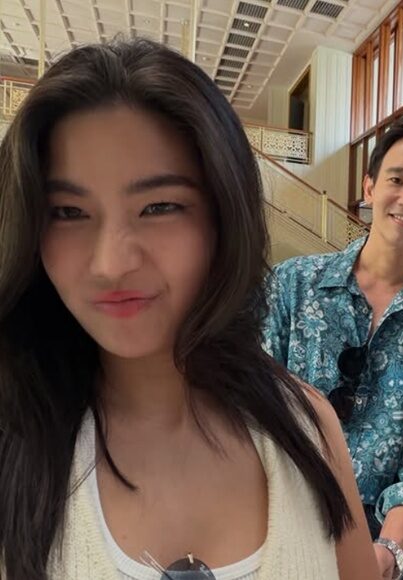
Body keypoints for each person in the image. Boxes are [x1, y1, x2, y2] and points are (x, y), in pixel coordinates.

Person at [0, 39, 381, 580]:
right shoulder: (15, 441)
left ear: (224, 216)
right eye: (67, 212)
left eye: (159, 207)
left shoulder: (309, 426)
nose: (111, 264)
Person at [263, 116, 403, 580]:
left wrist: (389, 547)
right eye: (396, 180)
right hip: (283, 513)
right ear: (369, 187)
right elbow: (254, 403)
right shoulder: (294, 284)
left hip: (383, 535)